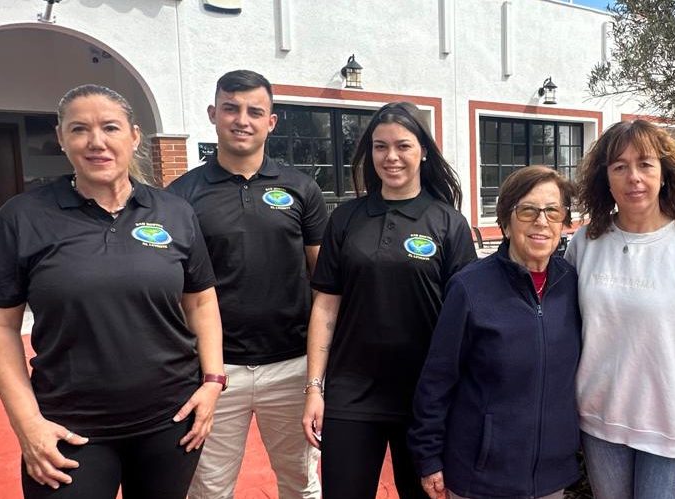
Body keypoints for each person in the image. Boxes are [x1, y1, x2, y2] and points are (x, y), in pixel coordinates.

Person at [0, 84, 224, 499]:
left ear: (134, 136)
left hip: (171, 420)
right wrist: (27, 422)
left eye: (110, 127)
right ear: (61, 138)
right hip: (69, 427)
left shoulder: (175, 212)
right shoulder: (24, 216)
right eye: (79, 129)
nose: (96, 142)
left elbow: (200, 300)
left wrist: (213, 380)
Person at [301, 101, 478, 499]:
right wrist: (314, 388)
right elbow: (326, 307)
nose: (390, 156)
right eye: (380, 146)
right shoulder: (345, 219)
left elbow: (464, 319)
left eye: (403, 146)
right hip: (351, 391)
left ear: (423, 151)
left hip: (424, 396)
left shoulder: (448, 223)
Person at [167, 70, 325, 499]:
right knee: (209, 490)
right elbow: (175, 288)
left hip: (292, 366)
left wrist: (319, 371)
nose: (242, 120)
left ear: (271, 122)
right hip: (215, 372)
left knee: (302, 484)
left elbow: (324, 282)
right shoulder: (181, 195)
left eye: (255, 111)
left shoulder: (302, 188)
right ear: (212, 114)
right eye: (231, 109)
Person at [566, 120, 675, 498]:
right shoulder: (585, 244)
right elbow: (567, 333)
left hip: (671, 432)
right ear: (605, 178)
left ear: (664, 173)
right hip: (599, 425)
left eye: (645, 164)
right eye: (619, 166)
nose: (634, 177)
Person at [409, 166, 582, 499]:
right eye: (528, 210)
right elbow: (437, 379)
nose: (541, 221)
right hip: (482, 475)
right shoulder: (470, 287)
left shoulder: (571, 283)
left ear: (564, 222)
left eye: (552, 211)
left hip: (550, 475)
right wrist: (428, 457)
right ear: (505, 221)